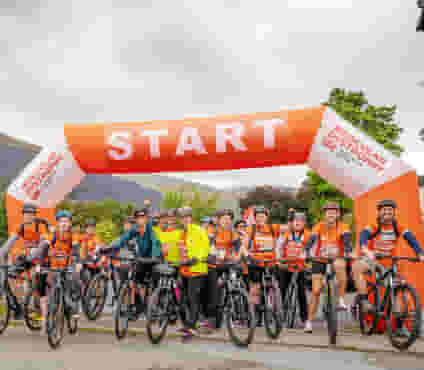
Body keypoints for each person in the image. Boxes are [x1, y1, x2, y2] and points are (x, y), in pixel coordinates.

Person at [352, 200, 424, 316]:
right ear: (379, 212)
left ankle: (399, 324)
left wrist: (420, 254)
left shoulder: (398, 227)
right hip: (373, 259)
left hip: (390, 262)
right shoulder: (375, 225)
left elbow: (411, 239)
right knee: (357, 267)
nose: (387, 212)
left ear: (394, 212)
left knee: (398, 289)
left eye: (390, 210)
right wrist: (365, 249)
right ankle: (364, 300)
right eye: (384, 210)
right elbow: (363, 235)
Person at [101, 208, 162, 318]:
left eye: (143, 217)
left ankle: (154, 308)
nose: (140, 220)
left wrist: (155, 256)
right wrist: (110, 248)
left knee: (153, 284)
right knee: (135, 281)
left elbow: (155, 243)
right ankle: (138, 308)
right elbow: (123, 239)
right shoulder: (135, 229)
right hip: (142, 259)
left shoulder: (151, 229)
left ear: (147, 219)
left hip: (154, 259)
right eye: (138, 218)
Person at [304, 201, 353, 333]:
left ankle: (341, 299)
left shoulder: (343, 226)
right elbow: (311, 239)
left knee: (340, 265)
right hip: (319, 259)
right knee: (316, 290)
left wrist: (348, 251)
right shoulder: (319, 226)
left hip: (336, 258)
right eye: (328, 212)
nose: (331, 214)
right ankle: (309, 321)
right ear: (324, 215)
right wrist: (306, 251)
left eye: (333, 212)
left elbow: (347, 240)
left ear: (338, 214)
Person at [29, 210, 82, 329]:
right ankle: (47, 313)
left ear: (70, 224)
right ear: (57, 223)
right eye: (61, 221)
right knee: (42, 280)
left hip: (67, 265)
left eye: (66, 221)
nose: (63, 224)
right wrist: (39, 264)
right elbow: (43, 249)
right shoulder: (52, 235)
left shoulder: (73, 235)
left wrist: (78, 262)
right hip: (54, 266)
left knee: (74, 281)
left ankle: (74, 309)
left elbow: (76, 249)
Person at [0, 203, 49, 320]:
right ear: (22, 216)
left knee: (35, 278)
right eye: (26, 214)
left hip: (42, 257)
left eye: (31, 214)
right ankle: (19, 305)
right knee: (10, 275)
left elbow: (44, 244)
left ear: (34, 216)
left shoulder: (39, 226)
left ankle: (39, 310)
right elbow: (8, 244)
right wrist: (2, 252)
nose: (28, 217)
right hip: (28, 257)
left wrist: (33, 255)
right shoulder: (20, 227)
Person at [176, 207, 210, 339]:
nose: (185, 219)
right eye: (182, 217)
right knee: (184, 299)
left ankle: (192, 326)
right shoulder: (182, 233)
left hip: (196, 269)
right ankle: (188, 324)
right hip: (184, 270)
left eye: (187, 217)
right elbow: (180, 250)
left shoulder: (198, 230)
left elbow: (205, 247)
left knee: (192, 298)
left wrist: (197, 258)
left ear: (191, 218)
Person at [202, 209, 238, 330]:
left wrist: (243, 256)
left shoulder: (233, 233)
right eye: (224, 219)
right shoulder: (212, 231)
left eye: (229, 219)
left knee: (234, 284)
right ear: (219, 220)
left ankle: (234, 305)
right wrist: (220, 255)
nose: (227, 221)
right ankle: (211, 318)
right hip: (214, 265)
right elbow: (211, 247)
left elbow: (240, 246)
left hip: (226, 265)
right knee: (214, 291)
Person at [246, 206, 280, 326]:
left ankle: (272, 309)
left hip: (270, 262)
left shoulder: (272, 228)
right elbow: (245, 244)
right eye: (258, 216)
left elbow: (284, 233)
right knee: (255, 289)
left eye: (263, 216)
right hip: (255, 262)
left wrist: (291, 219)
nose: (260, 218)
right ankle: (253, 314)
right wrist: (247, 254)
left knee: (272, 287)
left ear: (267, 217)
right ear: (255, 218)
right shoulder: (252, 229)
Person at [276, 212, 310, 325]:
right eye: (296, 221)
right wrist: (279, 260)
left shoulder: (308, 235)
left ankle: (304, 318)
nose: (298, 223)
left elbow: (312, 249)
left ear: (304, 223)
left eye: (300, 221)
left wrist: (308, 261)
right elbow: (279, 247)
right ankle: (280, 313)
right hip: (286, 265)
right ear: (292, 223)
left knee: (301, 292)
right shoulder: (286, 234)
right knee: (282, 289)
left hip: (300, 267)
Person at [79, 218, 105, 286]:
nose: (91, 229)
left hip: (94, 261)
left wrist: (98, 251)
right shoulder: (82, 237)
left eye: (93, 227)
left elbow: (100, 247)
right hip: (85, 261)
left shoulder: (97, 238)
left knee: (100, 264)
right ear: (85, 229)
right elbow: (81, 250)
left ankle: (98, 288)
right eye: (89, 228)